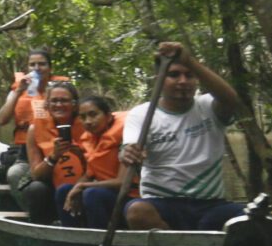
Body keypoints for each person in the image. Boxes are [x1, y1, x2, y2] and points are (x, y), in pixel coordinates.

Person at [82, 41, 250, 231]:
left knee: (252, 220)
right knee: (137, 212)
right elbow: (129, 147)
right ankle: (174, 244)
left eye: (189, 75)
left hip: (210, 205)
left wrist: (190, 61)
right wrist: (129, 153)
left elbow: (231, 99)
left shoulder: (209, 106)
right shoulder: (141, 114)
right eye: (174, 75)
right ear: (160, 79)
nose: (183, 81)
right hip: (162, 204)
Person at [16, 78, 83, 222]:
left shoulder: (88, 124)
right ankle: (41, 230)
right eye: (54, 101)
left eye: (64, 101)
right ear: (47, 105)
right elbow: (36, 174)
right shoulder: (34, 130)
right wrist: (54, 156)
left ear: (75, 105)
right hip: (51, 185)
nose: (59, 105)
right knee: (36, 188)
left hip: (86, 182)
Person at [55, 95, 125, 225]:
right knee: (65, 190)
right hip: (104, 192)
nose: (87, 121)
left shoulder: (125, 137)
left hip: (128, 196)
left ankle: (98, 242)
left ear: (108, 117)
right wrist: (75, 189)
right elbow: (89, 174)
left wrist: (82, 186)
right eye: (83, 117)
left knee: (92, 193)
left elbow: (122, 182)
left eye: (93, 115)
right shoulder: (89, 140)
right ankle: (69, 241)